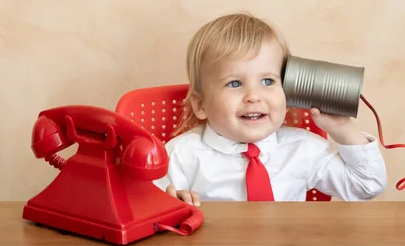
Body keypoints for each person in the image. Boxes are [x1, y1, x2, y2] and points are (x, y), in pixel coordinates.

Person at [153, 13, 386, 205]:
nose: (253, 96)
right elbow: (148, 208)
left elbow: (366, 186)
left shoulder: (302, 148)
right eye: (234, 83)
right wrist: (170, 203)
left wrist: (343, 130)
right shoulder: (181, 155)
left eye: (268, 82)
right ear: (200, 105)